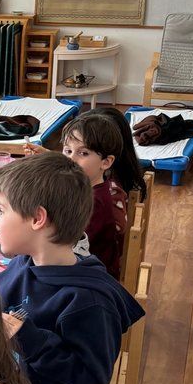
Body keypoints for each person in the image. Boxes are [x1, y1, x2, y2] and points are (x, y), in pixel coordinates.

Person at [0, 152, 144, 384]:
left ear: (37, 219)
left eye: (1, 210)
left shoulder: (87, 301)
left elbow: (93, 377)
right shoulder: (24, 261)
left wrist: (31, 338)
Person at [61, 112, 131, 280]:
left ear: (105, 162)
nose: (71, 159)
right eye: (68, 150)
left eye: (83, 153)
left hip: (91, 280)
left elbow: (64, 250)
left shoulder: (94, 203)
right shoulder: (88, 188)